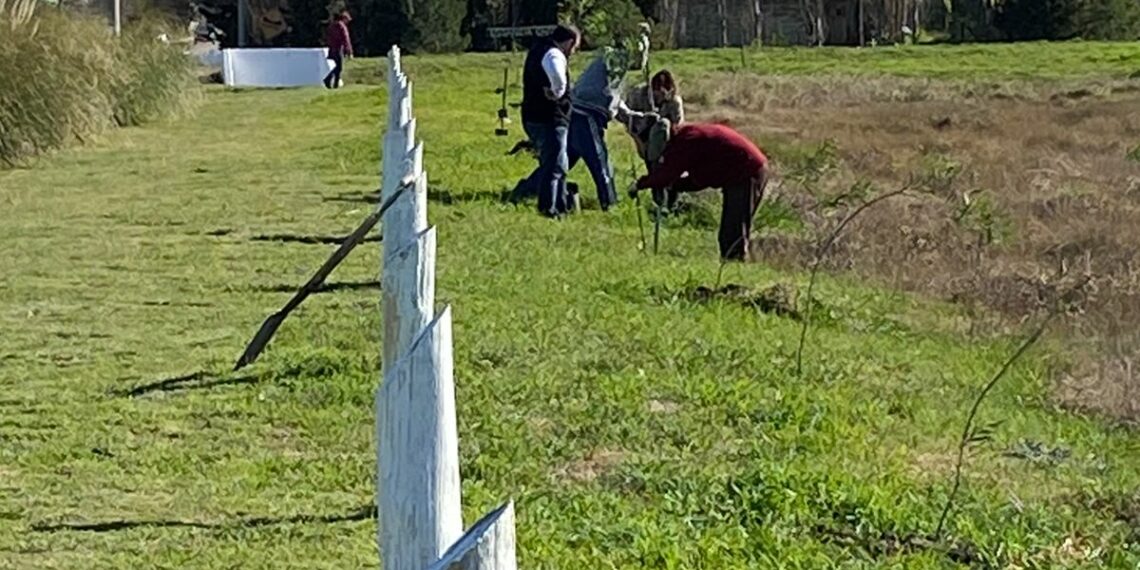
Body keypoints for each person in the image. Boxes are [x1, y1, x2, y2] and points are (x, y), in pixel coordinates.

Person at [631, 120, 770, 261]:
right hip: (740, 172)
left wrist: (639, 185)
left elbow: (666, 175)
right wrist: (675, 185)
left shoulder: (686, 141)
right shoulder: (686, 138)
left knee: (733, 228)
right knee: (730, 229)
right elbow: (697, 181)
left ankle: (734, 266)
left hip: (748, 171)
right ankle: (731, 262)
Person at [520, 24, 580, 219]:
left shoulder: (538, 49)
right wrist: (557, 92)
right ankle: (548, 207)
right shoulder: (554, 53)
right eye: (575, 47)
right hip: (549, 117)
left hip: (533, 115)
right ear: (569, 42)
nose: (573, 52)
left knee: (559, 163)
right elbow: (558, 79)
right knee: (554, 164)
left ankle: (561, 204)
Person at [323, 10, 353, 89]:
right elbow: (346, 39)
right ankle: (329, 80)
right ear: (344, 19)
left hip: (332, 48)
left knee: (337, 67)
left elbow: (328, 37)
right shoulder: (342, 26)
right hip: (338, 49)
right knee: (339, 68)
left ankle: (332, 83)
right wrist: (349, 51)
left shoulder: (332, 26)